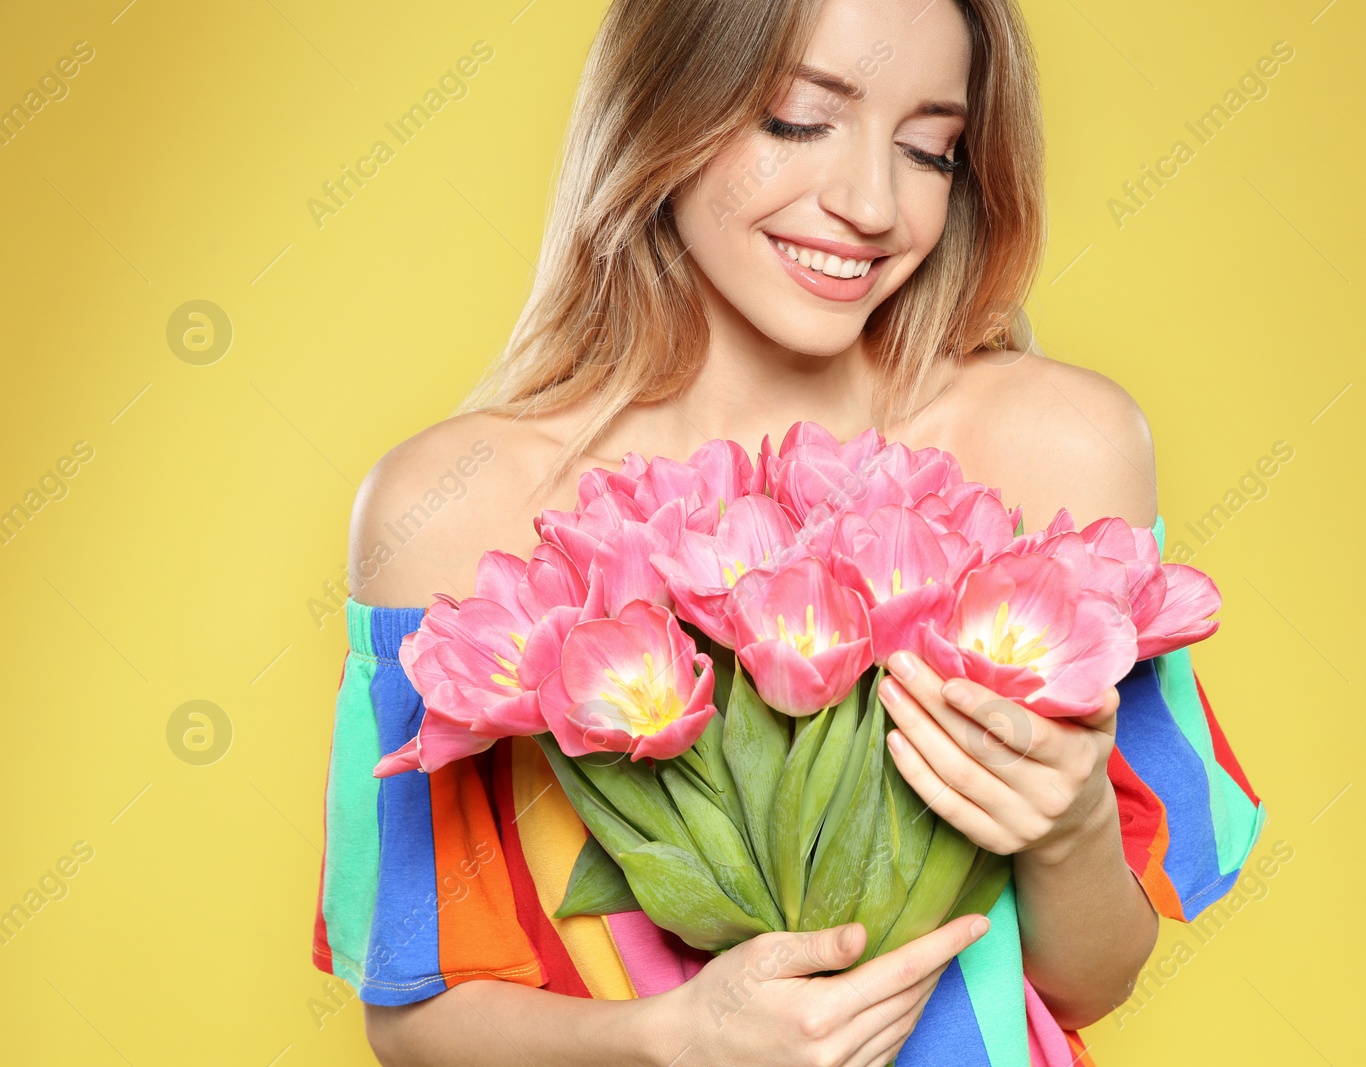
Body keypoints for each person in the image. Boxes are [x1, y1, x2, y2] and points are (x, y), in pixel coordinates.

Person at [310, 1, 1265, 1064]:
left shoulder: (1054, 449)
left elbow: (1091, 980)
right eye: (798, 122)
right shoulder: (451, 508)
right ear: (661, 108)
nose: (869, 204)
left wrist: (1072, 821)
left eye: (926, 151)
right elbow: (412, 1008)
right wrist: (672, 1037)